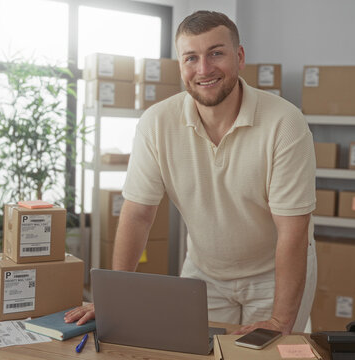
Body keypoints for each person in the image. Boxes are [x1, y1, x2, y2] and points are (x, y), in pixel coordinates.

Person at [65, 10, 316, 335]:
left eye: (216, 53)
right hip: (205, 274)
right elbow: (138, 214)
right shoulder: (156, 124)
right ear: (181, 65)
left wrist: (281, 321)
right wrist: (114, 298)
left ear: (239, 56)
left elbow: (293, 232)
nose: (204, 69)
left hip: (274, 276)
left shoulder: (285, 123)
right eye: (191, 58)